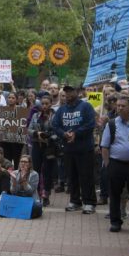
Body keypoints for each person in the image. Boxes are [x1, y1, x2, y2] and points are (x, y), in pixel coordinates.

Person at [51, 84, 97, 214]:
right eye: (66, 92)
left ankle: (89, 202)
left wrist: (76, 133)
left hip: (84, 149)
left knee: (86, 176)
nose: (68, 94)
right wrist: (64, 134)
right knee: (72, 177)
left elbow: (90, 124)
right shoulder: (61, 110)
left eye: (71, 91)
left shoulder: (86, 106)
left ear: (77, 92)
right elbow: (55, 125)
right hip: (69, 149)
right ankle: (75, 201)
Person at [101, 95, 129, 233]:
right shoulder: (111, 124)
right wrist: (108, 165)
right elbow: (105, 146)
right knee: (115, 194)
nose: (119, 108)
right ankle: (115, 222)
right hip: (116, 164)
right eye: (118, 105)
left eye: (123, 106)